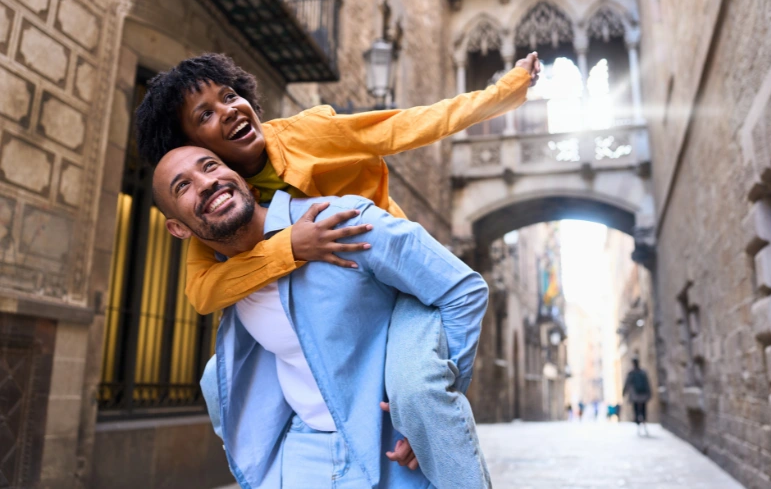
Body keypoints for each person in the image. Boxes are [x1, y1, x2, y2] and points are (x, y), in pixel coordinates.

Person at [153, 146, 491, 488]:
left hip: (393, 452)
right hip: (300, 454)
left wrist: (430, 416)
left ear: (245, 182)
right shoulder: (223, 282)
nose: (207, 182)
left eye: (210, 166)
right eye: (183, 186)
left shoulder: (341, 221)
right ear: (178, 229)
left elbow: (462, 290)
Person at [135, 52, 540, 315]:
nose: (228, 111)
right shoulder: (219, 199)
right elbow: (203, 292)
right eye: (204, 115)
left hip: (389, 273)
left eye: (228, 96)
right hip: (322, 308)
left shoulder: (309, 132)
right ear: (188, 147)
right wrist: (290, 247)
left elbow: (409, 124)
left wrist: (508, 88)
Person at [623, 358, 652, 436]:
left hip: (635, 396)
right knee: (643, 410)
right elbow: (647, 383)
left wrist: (624, 392)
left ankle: (638, 426)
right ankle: (644, 424)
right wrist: (649, 394)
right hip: (643, 396)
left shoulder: (631, 373)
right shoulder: (643, 372)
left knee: (636, 411)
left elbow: (627, 383)